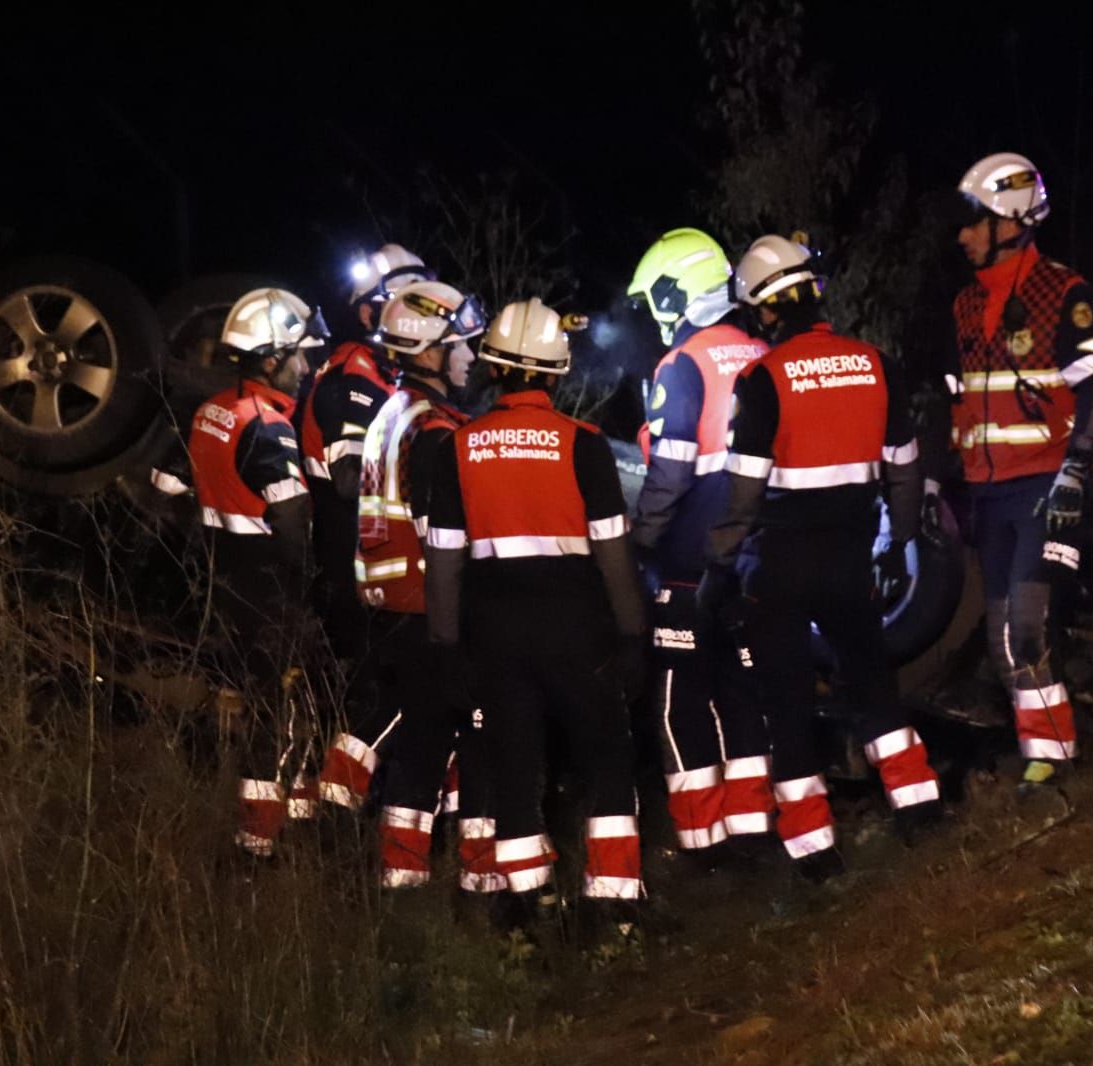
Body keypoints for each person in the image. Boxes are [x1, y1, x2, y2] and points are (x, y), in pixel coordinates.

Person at [701, 235, 943, 880]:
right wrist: (900, 542)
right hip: (851, 558)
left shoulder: (762, 379)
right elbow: (907, 468)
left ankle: (814, 850)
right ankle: (918, 808)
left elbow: (744, 495)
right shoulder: (875, 362)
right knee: (872, 684)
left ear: (764, 310)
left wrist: (717, 570)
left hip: (776, 566)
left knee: (785, 705)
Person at [424, 298, 649, 931]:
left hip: (496, 635)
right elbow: (613, 556)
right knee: (606, 759)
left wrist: (446, 648)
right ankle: (615, 914)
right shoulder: (584, 445)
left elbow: (443, 563)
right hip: (578, 628)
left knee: (515, 772)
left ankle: (523, 916)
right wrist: (632, 636)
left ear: (494, 368)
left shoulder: (456, 448)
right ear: (554, 374)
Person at [946, 152, 1093, 789]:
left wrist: (1075, 473)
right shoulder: (967, 304)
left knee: (1028, 626)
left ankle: (1056, 764)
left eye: (974, 222)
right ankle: (1039, 754)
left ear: (1012, 219)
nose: (962, 235)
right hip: (987, 497)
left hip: (1047, 489)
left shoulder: (1066, 294)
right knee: (999, 640)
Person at [326, 280, 501, 891]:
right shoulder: (433, 431)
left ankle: (398, 875)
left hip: (388, 605)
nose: (472, 357)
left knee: (411, 740)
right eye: (460, 345)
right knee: (426, 748)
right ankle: (411, 886)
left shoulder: (393, 414)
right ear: (429, 353)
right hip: (426, 606)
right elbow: (444, 535)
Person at [150, 288, 326, 856]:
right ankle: (264, 842)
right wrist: (311, 584)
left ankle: (275, 827)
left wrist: (204, 528)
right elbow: (293, 519)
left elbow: (164, 487)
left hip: (223, 579)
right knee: (282, 708)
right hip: (271, 588)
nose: (307, 367)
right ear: (272, 360)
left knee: (252, 697)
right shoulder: (267, 427)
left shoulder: (211, 411)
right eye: (300, 356)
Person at [626, 228, 774, 859]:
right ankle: (754, 831)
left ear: (673, 292)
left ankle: (703, 840)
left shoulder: (679, 365)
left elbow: (669, 472)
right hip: (753, 561)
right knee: (745, 693)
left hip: (688, 563)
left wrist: (640, 545)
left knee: (679, 703)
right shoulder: (762, 354)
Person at [299, 244, 429, 672]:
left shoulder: (382, 375)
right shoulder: (357, 375)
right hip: (347, 566)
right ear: (370, 314)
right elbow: (350, 480)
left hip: (367, 566)